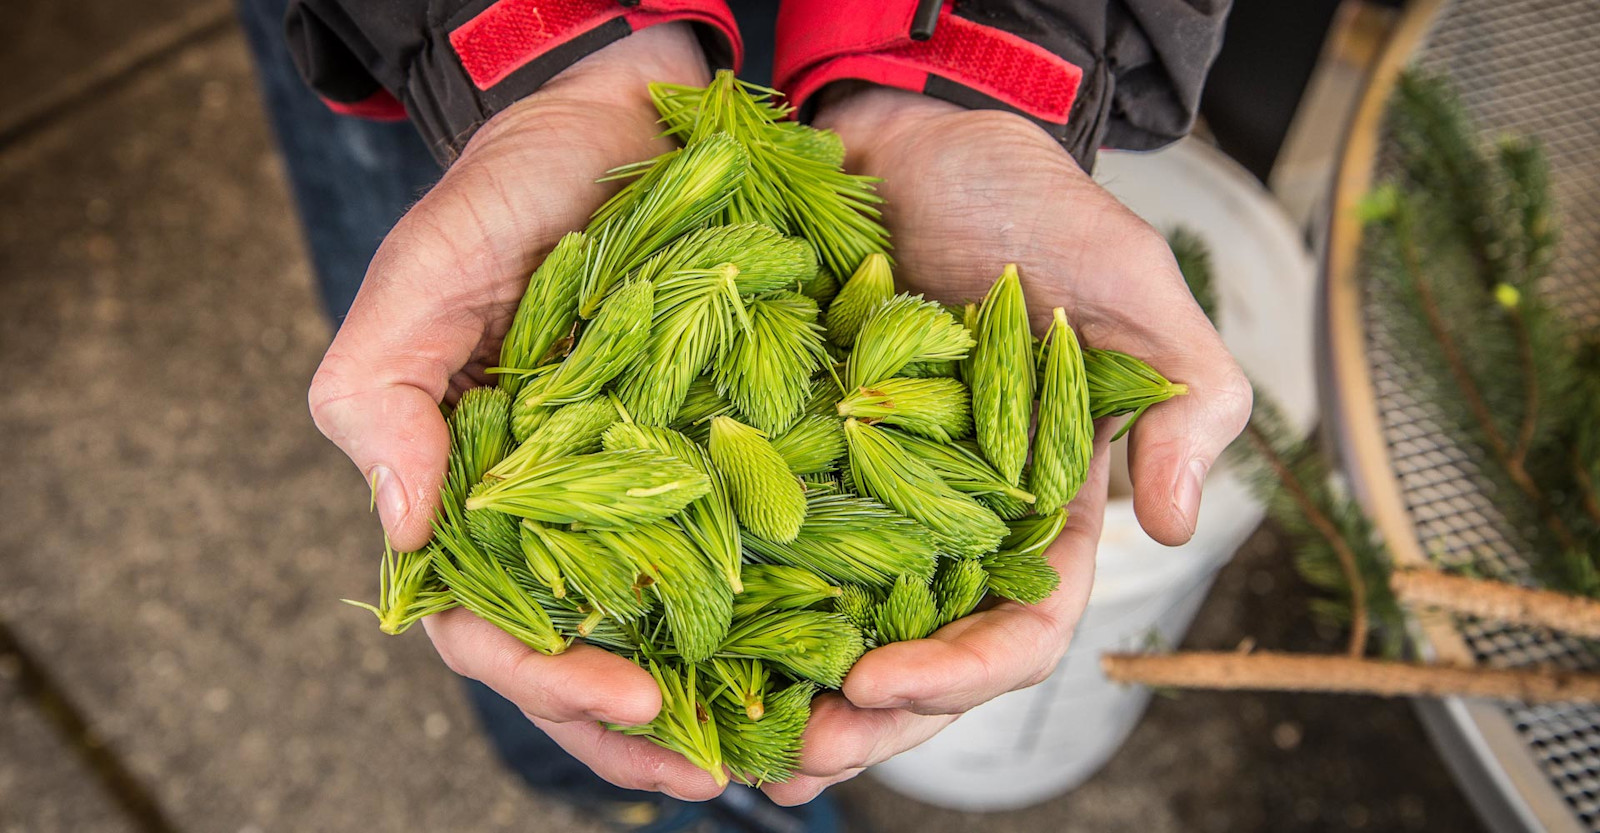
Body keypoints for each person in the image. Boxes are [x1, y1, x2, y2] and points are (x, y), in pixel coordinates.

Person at [242, 1, 1250, 830]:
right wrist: (526, 36)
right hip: (449, 52)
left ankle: (709, 806)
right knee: (451, 329)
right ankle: (677, 806)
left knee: (646, 717)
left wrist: (996, 51)